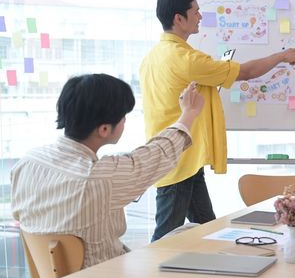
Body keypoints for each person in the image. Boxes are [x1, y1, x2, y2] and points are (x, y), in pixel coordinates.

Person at [140, 0, 295, 242]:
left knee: (207, 229)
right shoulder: (187, 60)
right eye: (195, 11)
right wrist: (282, 56)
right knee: (164, 239)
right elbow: (246, 72)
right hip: (179, 161)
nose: (200, 16)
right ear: (178, 19)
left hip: (181, 158)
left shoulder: (154, 56)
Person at [11, 74, 204, 268]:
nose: (124, 122)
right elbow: (158, 153)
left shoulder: (27, 162)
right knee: (195, 232)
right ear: (104, 129)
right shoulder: (98, 178)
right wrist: (189, 113)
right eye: (123, 117)